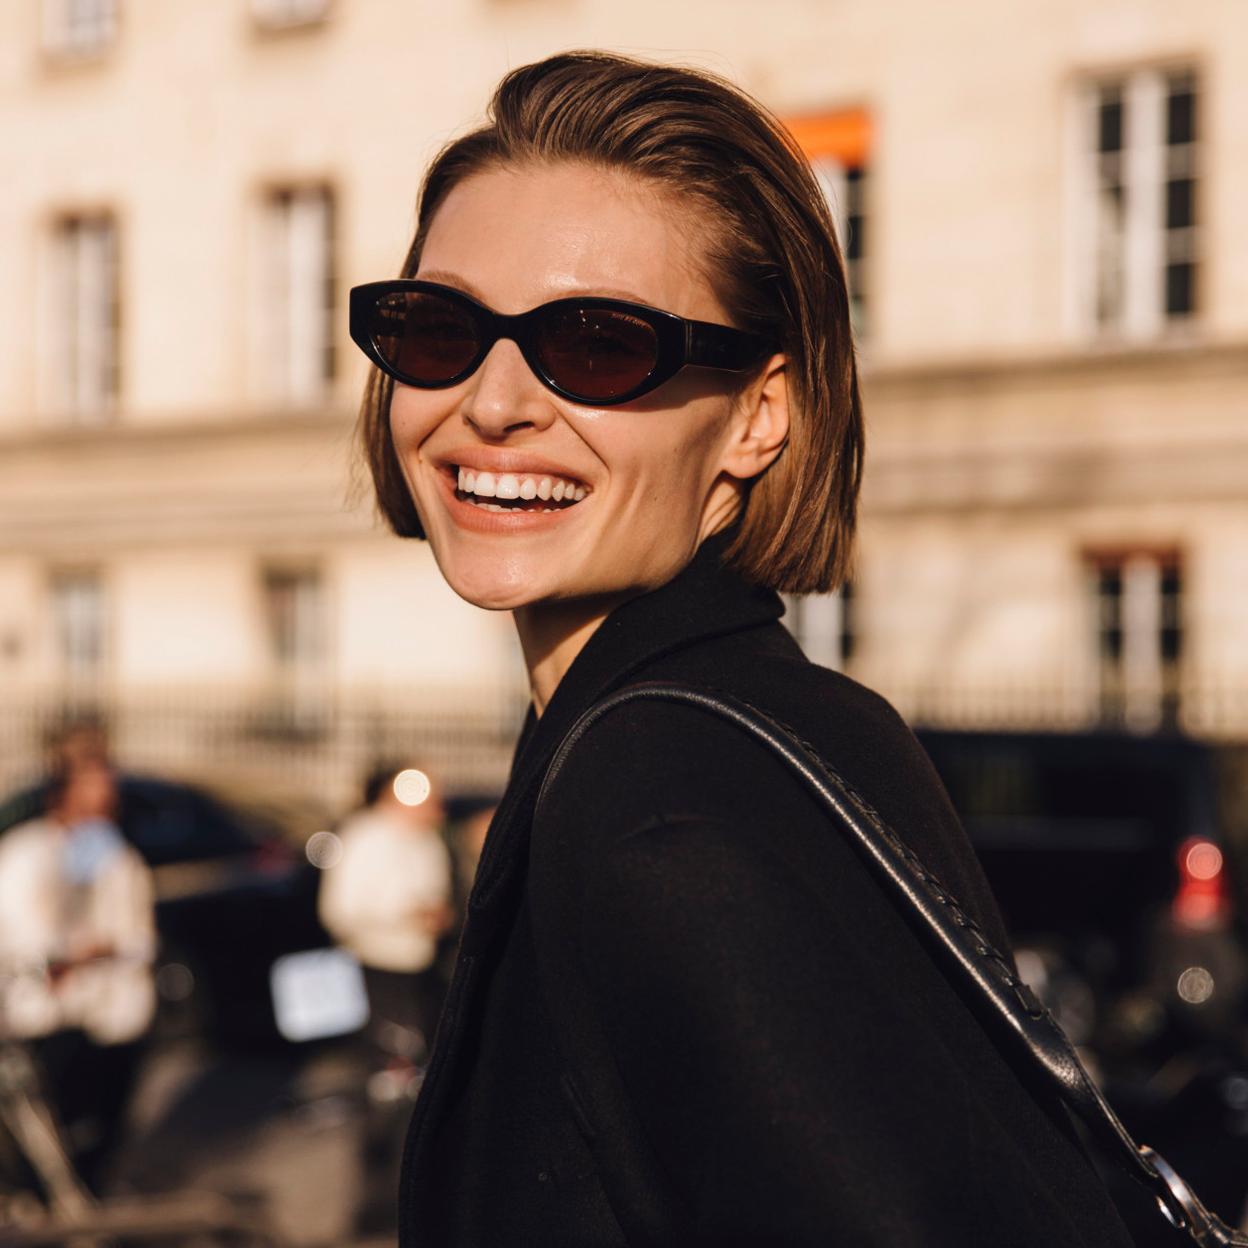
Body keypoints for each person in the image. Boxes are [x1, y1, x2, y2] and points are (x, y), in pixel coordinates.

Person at [349, 51, 1134, 1246]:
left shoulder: (660, 801)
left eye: (598, 344)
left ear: (759, 415)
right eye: (442, 327)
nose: (494, 402)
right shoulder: (787, 723)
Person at [0, 759, 156, 1192]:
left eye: (106, 801)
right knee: (46, 1141)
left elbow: (137, 934)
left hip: (109, 1018)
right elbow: (20, 932)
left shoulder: (116, 856)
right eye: (88, 799)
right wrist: (63, 952)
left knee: (99, 1135)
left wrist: (107, 947)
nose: (99, 809)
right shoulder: (25, 853)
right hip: (47, 1020)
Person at [317, 763, 454, 1060]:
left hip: (420, 966)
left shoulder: (428, 840)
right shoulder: (364, 836)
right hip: (374, 965)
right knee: (386, 1054)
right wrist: (408, 914)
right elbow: (341, 907)